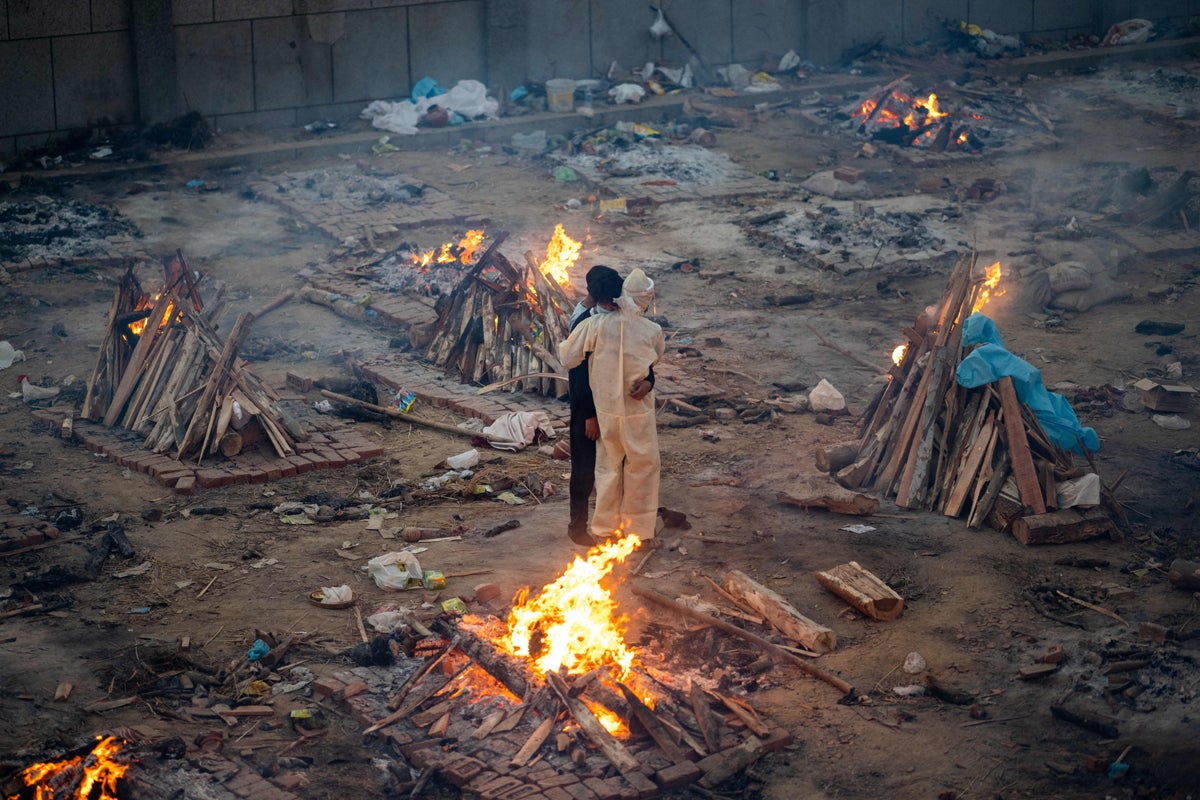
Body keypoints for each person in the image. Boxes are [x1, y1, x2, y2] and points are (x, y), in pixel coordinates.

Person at [559, 268, 664, 542]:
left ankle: (613, 530)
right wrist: (588, 416)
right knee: (627, 470)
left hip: (614, 413)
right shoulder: (648, 330)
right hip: (610, 413)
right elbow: (578, 377)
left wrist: (647, 382)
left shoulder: (596, 325)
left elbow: (568, 356)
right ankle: (613, 530)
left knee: (612, 470)